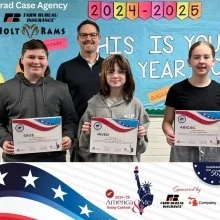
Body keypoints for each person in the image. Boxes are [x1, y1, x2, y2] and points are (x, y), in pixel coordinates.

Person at [0, 39, 78, 162]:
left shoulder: (60, 88)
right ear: (21, 60)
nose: (36, 61)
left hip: (54, 161)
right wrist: (3, 140)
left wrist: (68, 136)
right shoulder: (5, 89)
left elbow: (71, 120)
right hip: (16, 162)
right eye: (31, 57)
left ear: (47, 61)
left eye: (41, 58)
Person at [78, 54, 150, 162]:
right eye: (111, 72)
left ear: (127, 75)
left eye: (121, 71)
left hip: (126, 169)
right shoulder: (93, 104)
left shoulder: (136, 105)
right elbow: (83, 149)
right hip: (100, 169)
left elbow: (141, 149)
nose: (115, 76)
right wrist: (86, 134)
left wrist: (140, 137)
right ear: (104, 75)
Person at [162, 41, 220, 162]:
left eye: (206, 57)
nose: (201, 61)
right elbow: (167, 122)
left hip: (214, 152)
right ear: (189, 62)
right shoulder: (176, 90)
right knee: (180, 181)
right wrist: (169, 134)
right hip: (182, 152)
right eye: (196, 57)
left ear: (213, 62)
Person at [56, 19, 104, 161]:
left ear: (99, 38)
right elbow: (58, 103)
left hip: (106, 133)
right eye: (84, 35)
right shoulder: (66, 68)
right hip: (76, 133)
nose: (88, 38)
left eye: (93, 35)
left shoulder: (110, 67)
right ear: (78, 38)